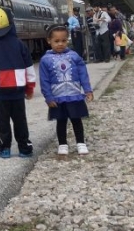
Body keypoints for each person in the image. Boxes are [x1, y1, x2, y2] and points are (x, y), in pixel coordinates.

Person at [0, 7, 35, 158]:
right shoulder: (20, 44)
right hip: (18, 91)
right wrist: (29, 89)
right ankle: (24, 148)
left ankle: (5, 148)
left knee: (2, 121)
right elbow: (29, 69)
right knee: (20, 119)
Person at [38, 26, 94, 156]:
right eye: (56, 41)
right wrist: (48, 97)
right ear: (49, 41)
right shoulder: (45, 60)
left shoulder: (74, 56)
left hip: (74, 95)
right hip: (57, 97)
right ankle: (62, 144)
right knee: (61, 121)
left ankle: (81, 143)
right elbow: (44, 80)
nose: (60, 44)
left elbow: (83, 74)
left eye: (63, 40)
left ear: (67, 40)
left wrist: (87, 90)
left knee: (76, 119)